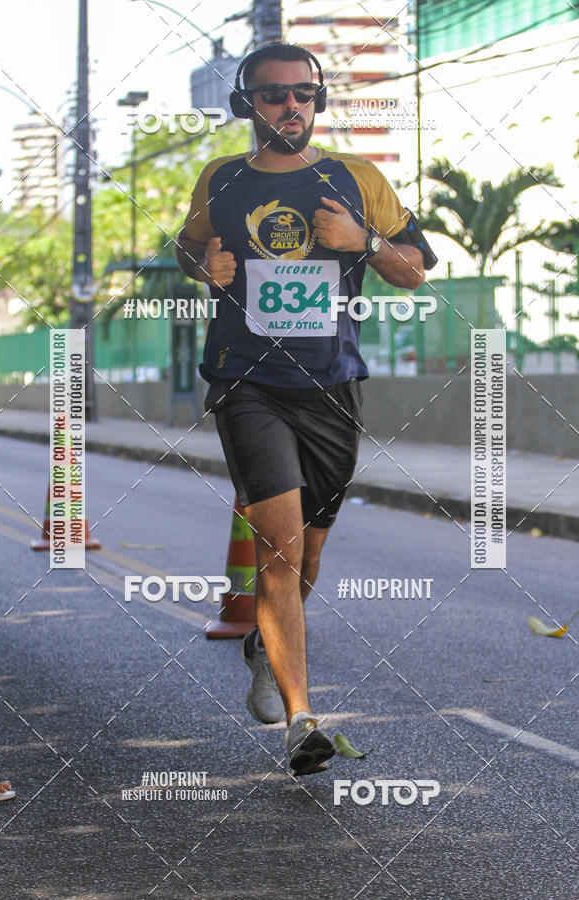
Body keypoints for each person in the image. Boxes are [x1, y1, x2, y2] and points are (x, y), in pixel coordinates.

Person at [176, 42, 437, 775]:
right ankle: (302, 720)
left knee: (310, 552)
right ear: (246, 105)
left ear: (318, 101)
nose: (290, 107)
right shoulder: (222, 179)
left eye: (303, 94)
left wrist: (365, 240)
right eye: (273, 95)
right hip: (245, 381)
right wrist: (204, 266)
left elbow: (413, 271)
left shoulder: (357, 179)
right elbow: (187, 246)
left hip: (331, 386)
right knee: (282, 552)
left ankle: (267, 637)